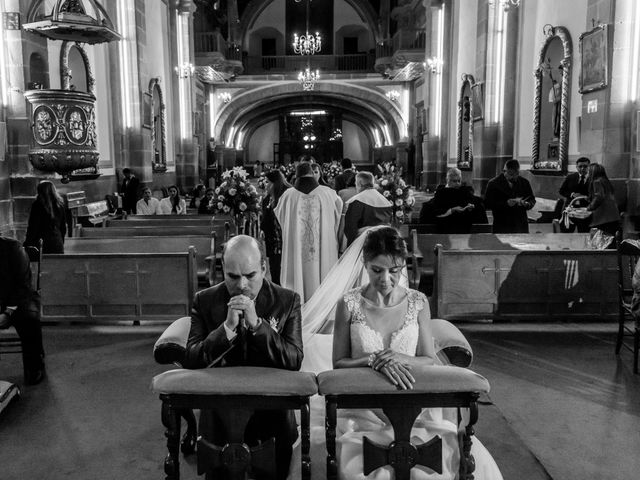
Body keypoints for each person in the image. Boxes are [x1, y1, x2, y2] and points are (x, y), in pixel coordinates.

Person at [293, 226, 502, 480]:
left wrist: (399, 357)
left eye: (394, 271)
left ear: (403, 266)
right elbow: (339, 363)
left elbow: (427, 358)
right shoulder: (348, 304)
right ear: (365, 264)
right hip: (361, 409)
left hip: (411, 404)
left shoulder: (417, 302)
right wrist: (373, 360)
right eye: (377, 270)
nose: (386, 280)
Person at [183, 235, 303, 480]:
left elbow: (294, 359)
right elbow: (192, 360)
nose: (242, 285)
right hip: (220, 412)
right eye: (233, 277)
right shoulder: (204, 301)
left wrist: (258, 325)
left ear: (264, 268)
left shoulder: (288, 300)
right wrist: (226, 329)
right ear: (223, 271)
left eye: (250, 275)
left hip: (271, 411)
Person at [275, 162, 342, 301]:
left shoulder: (287, 196)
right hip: (324, 250)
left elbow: (282, 219)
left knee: (296, 275)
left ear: (296, 175)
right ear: (312, 173)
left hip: (296, 249)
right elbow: (338, 218)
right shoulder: (329, 194)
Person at [0, 236, 46, 385]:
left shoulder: (13, 248)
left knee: (29, 319)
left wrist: (7, 312)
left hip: (17, 300)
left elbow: (22, 285)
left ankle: (34, 366)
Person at [484, 159, 536, 233]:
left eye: (516, 174)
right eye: (511, 174)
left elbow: (532, 199)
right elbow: (487, 204)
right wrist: (506, 203)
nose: (514, 177)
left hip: (520, 225)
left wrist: (527, 204)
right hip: (502, 225)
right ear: (504, 171)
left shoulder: (524, 182)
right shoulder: (494, 184)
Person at [343, 171, 392, 246]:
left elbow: (350, 227)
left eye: (356, 183)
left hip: (363, 244)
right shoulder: (385, 201)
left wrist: (351, 246)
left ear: (359, 183)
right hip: (383, 244)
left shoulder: (357, 200)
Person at [260, 170, 291, 285]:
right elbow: (265, 220)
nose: (265, 185)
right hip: (273, 243)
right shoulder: (267, 199)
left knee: (284, 274)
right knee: (275, 272)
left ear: (275, 183)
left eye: (267, 182)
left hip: (284, 243)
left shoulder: (286, 198)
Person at [430, 167, 479, 234]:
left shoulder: (464, 191)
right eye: (454, 181)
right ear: (448, 180)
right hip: (445, 227)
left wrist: (470, 207)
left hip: (463, 227)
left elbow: (474, 203)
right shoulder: (441, 192)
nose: (457, 183)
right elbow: (436, 212)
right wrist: (452, 210)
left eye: (459, 181)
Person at [24, 180, 67, 254]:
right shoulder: (59, 204)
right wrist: (61, 241)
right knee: (56, 264)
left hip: (41, 243)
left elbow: (33, 226)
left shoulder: (37, 205)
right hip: (57, 242)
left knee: (43, 265)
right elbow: (63, 227)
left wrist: (27, 243)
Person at [557, 157, 591, 232]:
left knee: (583, 233)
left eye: (585, 166)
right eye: (580, 166)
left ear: (589, 167)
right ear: (576, 167)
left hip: (584, 211)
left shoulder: (592, 179)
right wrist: (572, 194)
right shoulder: (571, 177)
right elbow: (561, 191)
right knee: (566, 232)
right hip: (570, 209)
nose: (582, 169)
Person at [586, 163, 620, 237]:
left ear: (593, 172)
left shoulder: (596, 181)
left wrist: (589, 208)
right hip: (612, 216)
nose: (587, 173)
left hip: (603, 218)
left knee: (600, 241)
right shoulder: (605, 180)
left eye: (589, 171)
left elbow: (599, 197)